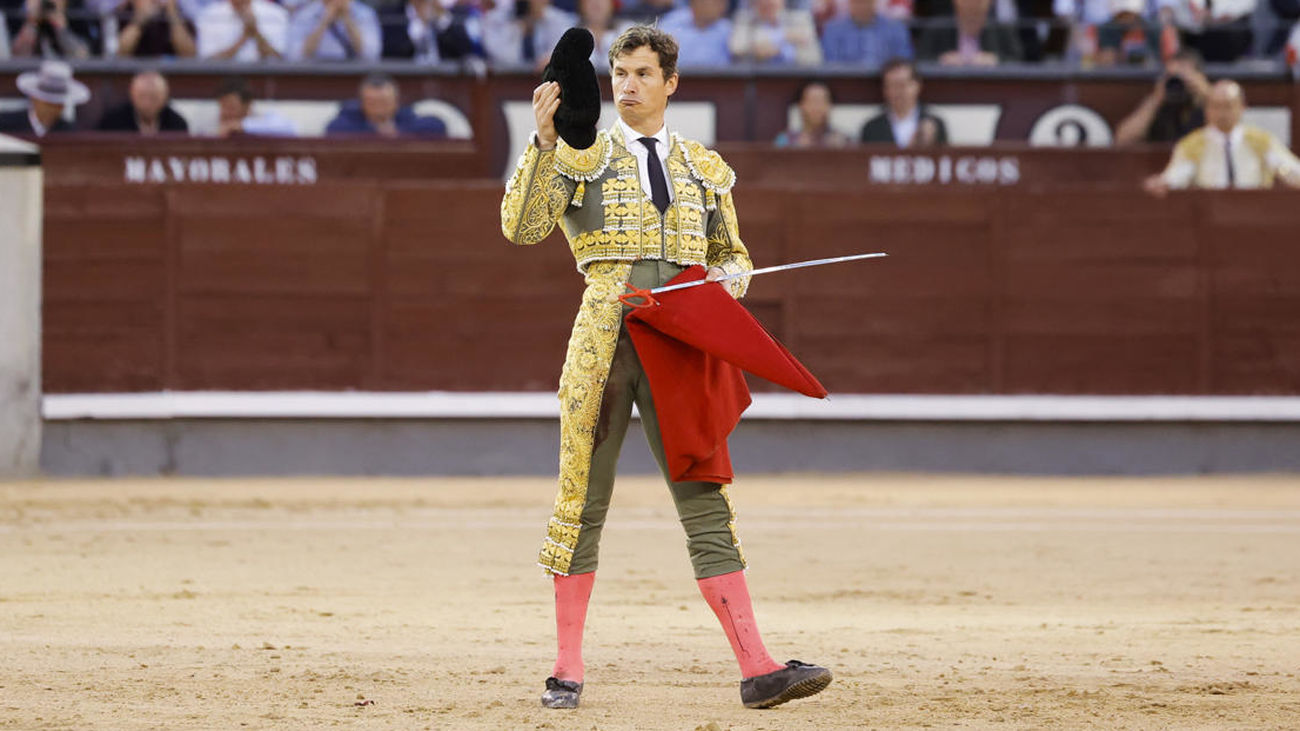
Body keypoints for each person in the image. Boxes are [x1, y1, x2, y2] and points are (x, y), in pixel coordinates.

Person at [500, 24, 832, 712]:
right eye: (620, 73)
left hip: (680, 343)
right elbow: (522, 228)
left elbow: (733, 255)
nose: (627, 85)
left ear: (670, 83)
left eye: (643, 73)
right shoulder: (580, 152)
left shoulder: (704, 168)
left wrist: (722, 282)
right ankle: (566, 669)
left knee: (705, 496)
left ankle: (758, 666)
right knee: (582, 499)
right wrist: (544, 143)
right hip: (606, 339)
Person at [1143, 80, 1300, 196]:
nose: (1222, 113)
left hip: (1255, 212)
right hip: (1208, 215)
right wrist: (1166, 182)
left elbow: (1288, 169)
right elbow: (1180, 173)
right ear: (1207, 110)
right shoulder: (1192, 144)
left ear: (1242, 108)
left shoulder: (1261, 141)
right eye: (1216, 106)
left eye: (1228, 106)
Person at [1113, 48, 1209, 145]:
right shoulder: (1158, 105)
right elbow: (1122, 140)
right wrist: (1155, 99)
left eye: (1185, 76)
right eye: (1171, 76)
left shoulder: (1207, 105)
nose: (1178, 83)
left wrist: (1206, 93)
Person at [324, 73, 448, 137]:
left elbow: (437, 126)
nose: (379, 108)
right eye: (372, 102)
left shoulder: (406, 118)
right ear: (362, 102)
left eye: (384, 102)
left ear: (396, 101)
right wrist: (374, 132)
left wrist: (398, 132)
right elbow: (334, 129)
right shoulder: (348, 120)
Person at [860, 57, 948, 147]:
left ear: (917, 85)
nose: (899, 92)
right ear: (884, 90)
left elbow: (945, 154)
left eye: (903, 85)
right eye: (893, 86)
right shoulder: (871, 128)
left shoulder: (935, 124)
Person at [916, 0, 1023, 64]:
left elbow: (1018, 60)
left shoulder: (1002, 29)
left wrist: (996, 60)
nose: (973, 5)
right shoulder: (937, 26)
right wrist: (942, 60)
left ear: (990, 2)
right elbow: (921, 59)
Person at [0, 59, 88, 136]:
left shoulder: (69, 132)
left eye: (59, 104)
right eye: (48, 102)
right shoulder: (6, 123)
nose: (54, 109)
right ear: (34, 98)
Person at [482, 0, 575, 68]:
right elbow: (494, 50)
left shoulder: (557, 20)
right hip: (507, 77)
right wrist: (518, 31)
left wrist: (550, 58)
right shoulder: (501, 15)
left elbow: (564, 49)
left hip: (543, 79)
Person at [820, 0, 913, 67]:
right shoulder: (833, 30)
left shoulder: (896, 28)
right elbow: (831, 64)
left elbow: (903, 63)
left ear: (875, 2)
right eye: (857, 1)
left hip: (886, 82)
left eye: (865, 1)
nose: (862, 5)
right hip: (846, 84)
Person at [729, 0, 823, 66]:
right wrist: (783, 37)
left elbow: (815, 58)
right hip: (759, 80)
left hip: (797, 79)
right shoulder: (744, 19)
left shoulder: (800, 19)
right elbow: (736, 48)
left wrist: (778, 43)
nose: (768, 2)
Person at [96, 69, 189, 134]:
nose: (147, 104)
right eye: (142, 96)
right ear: (132, 94)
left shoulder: (177, 124)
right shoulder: (112, 123)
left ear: (165, 97)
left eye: (153, 98)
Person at [287, 0, 382, 61]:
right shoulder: (306, 14)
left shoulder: (365, 13)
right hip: (314, 72)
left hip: (353, 72)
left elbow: (371, 55)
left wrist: (347, 18)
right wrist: (324, 21)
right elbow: (295, 56)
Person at [196, 0, 288, 60]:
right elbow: (207, 61)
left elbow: (278, 59)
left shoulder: (275, 13)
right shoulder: (209, 15)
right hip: (223, 78)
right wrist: (243, 39)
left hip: (262, 78)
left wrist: (255, 32)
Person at [774, 80, 851, 148]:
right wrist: (796, 148)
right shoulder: (786, 140)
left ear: (830, 106)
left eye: (822, 101)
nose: (816, 107)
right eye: (811, 101)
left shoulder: (843, 140)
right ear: (801, 105)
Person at [657, 0, 732, 67]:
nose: (722, 7)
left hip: (718, 77)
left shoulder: (726, 29)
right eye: (716, 2)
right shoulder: (671, 23)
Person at [214, 76, 296, 137]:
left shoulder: (264, 121)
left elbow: (289, 128)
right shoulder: (214, 124)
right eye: (222, 107)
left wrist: (242, 125)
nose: (226, 112)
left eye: (231, 107)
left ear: (247, 105)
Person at [10, 0, 94, 58]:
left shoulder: (75, 10)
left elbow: (83, 57)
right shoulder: (16, 9)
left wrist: (61, 29)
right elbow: (16, 57)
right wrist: (31, 23)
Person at [115, 0, 197, 56]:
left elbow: (190, 56)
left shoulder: (179, 15)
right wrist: (139, 20)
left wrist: (173, 15)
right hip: (131, 74)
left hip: (168, 74)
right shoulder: (120, 14)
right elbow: (118, 54)